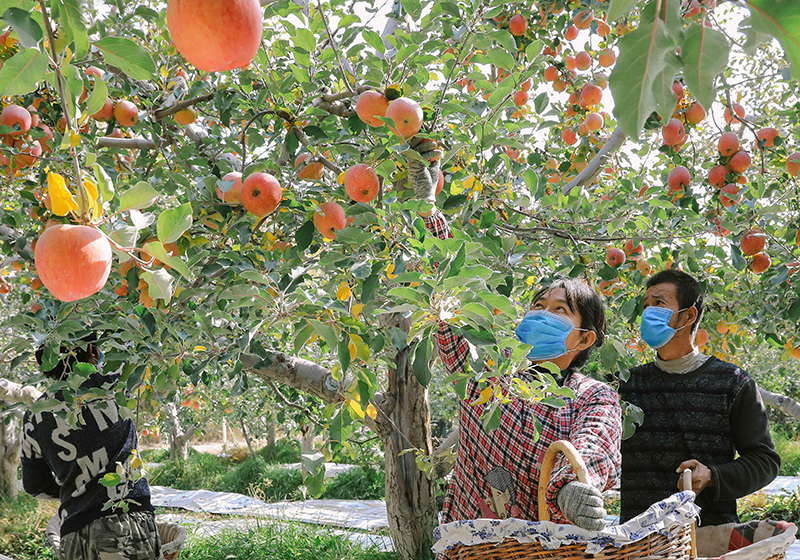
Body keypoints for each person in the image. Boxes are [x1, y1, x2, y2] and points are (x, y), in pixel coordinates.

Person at [408, 138, 622, 530]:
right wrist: (428, 208)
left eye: (560, 310)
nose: (541, 314)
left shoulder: (592, 396)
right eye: (538, 306)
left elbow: (595, 444)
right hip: (471, 548)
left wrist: (574, 488)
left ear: (585, 339)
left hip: (546, 552)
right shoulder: (485, 373)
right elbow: (446, 291)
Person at [619, 270, 780, 534]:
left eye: (659, 303)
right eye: (645, 306)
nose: (648, 313)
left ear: (689, 315)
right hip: (636, 540)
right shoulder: (626, 385)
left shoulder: (733, 383)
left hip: (708, 539)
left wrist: (713, 476)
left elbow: (765, 461)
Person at [20, 335, 162, 560]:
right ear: (91, 350)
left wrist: (76, 488)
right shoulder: (113, 383)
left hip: (74, 533)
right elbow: (143, 341)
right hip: (124, 524)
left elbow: (34, 485)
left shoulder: (34, 417)